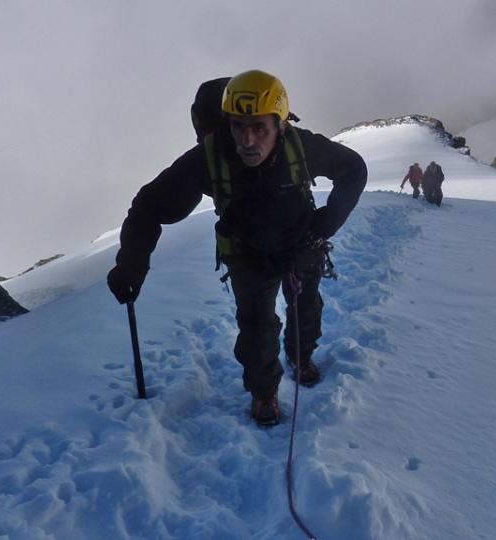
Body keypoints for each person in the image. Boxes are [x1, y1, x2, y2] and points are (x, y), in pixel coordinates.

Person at [106, 70, 367, 426]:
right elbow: (148, 206)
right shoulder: (209, 157)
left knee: (305, 309)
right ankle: (264, 393)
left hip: (300, 245)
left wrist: (326, 223)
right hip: (247, 253)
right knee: (256, 327)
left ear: (280, 125)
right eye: (238, 127)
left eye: (259, 127)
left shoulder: (302, 146)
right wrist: (132, 264)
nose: (247, 140)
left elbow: (354, 168)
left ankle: (300, 356)